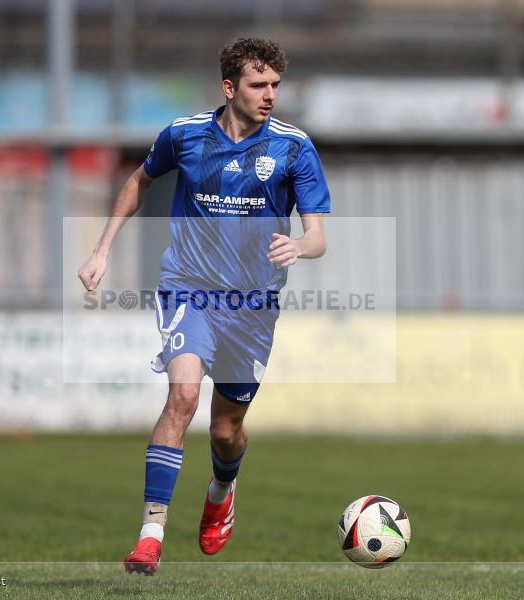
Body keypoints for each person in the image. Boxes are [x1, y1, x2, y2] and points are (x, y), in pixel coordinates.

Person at [77, 37, 330, 576]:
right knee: (183, 396)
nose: (269, 95)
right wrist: (102, 248)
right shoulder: (185, 135)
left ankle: (222, 488)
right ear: (229, 86)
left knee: (224, 431)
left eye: (275, 85)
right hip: (187, 288)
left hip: (253, 306)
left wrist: (300, 247)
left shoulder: (293, 147)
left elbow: (318, 236)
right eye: (258, 84)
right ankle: (150, 536)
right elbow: (140, 180)